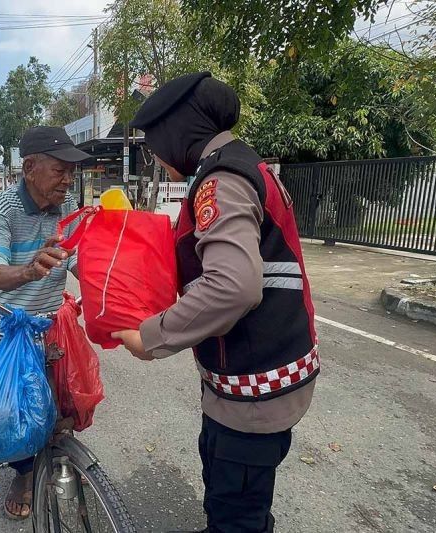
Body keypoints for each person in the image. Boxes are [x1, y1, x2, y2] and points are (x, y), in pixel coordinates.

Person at [112, 72, 319, 533]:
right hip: (266, 375)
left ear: (179, 132)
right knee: (234, 500)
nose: (155, 154)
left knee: (235, 516)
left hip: (254, 390)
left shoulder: (219, 180)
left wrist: (150, 337)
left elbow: (232, 285)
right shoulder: (247, 164)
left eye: (153, 142)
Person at [0, 125, 89, 520]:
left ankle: (53, 458)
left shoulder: (69, 204)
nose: (68, 180)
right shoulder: (3, 208)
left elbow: (77, 259)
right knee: (17, 413)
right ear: (29, 168)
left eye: (72, 172)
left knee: (62, 404)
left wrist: (109, 289)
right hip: (7, 329)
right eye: (60, 170)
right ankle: (23, 475)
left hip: (50, 323)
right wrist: (27, 271)